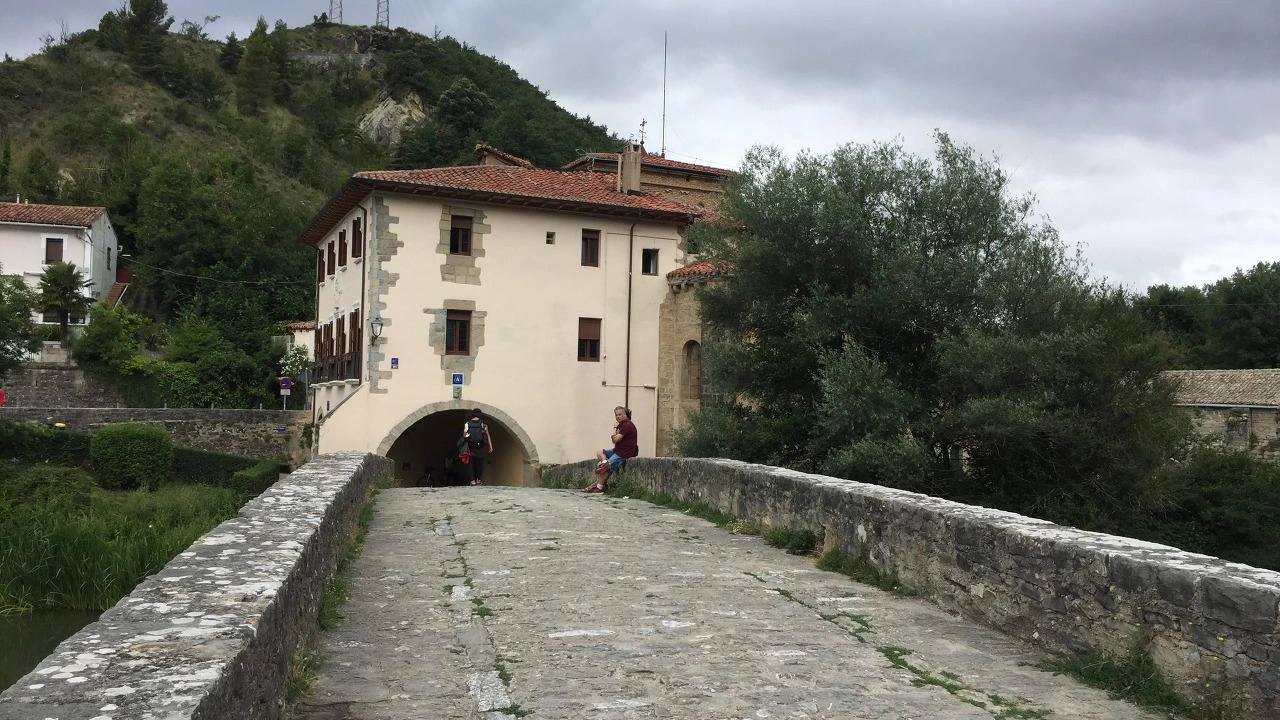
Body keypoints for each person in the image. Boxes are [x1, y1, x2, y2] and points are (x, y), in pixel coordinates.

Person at [583, 406, 637, 493]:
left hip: (624, 453)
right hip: (617, 451)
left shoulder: (627, 425)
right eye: (616, 415)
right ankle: (605, 465)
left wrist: (614, 430)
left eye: (620, 414)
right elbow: (614, 440)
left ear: (624, 414)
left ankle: (599, 487)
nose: (618, 417)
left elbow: (615, 440)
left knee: (603, 467)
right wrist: (615, 434)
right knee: (600, 452)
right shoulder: (621, 424)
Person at [461, 409, 493, 485]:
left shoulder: (467, 424)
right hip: (481, 447)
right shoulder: (483, 425)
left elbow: (464, 435)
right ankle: (478, 480)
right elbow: (487, 435)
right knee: (480, 464)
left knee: (471, 464)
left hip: (470, 447)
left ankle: (472, 481)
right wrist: (490, 446)